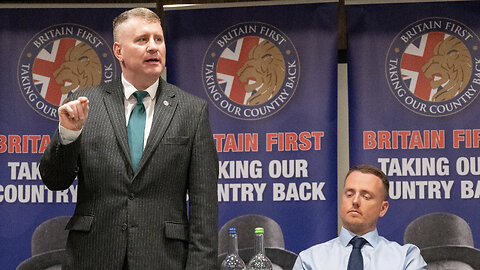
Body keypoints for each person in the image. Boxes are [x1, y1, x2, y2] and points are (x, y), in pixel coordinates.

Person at [39, 7, 219, 270]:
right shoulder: (86, 103)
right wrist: (69, 134)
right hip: (93, 257)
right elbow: (54, 180)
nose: (153, 47)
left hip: (163, 259)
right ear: (119, 51)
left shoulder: (192, 111)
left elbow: (205, 208)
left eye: (158, 39)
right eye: (142, 39)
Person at [293, 164, 426, 270]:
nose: (355, 201)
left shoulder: (406, 258)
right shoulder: (309, 260)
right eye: (349, 194)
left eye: (366, 196)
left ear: (383, 208)